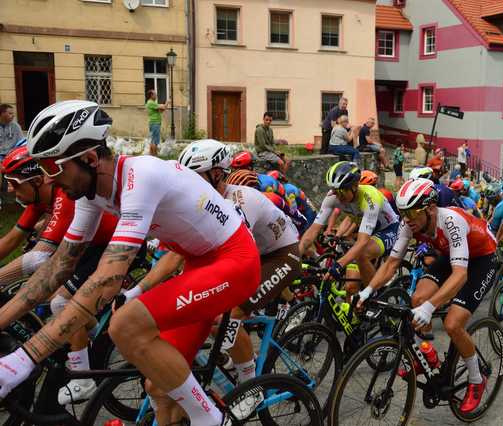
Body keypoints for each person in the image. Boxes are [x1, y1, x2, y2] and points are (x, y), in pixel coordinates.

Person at [0, 100, 260, 426]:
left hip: (234, 260)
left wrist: (25, 357)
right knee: (158, 386)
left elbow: (107, 279)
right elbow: (57, 266)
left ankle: (210, 419)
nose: (50, 181)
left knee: (124, 326)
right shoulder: (89, 193)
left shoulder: (142, 177)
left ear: (90, 158)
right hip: (196, 263)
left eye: (53, 168)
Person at [119, 139, 299, 422]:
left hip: (279, 255)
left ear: (217, 174)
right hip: (247, 257)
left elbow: (237, 262)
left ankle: (248, 385)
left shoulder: (240, 200)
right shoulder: (195, 203)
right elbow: (173, 257)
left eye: (195, 176)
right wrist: (141, 290)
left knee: (228, 313)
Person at [357, 178, 498, 414]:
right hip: (451, 254)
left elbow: (460, 275)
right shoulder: (409, 224)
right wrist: (368, 290)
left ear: (431, 208)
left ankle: (476, 380)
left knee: (453, 323)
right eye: (403, 213)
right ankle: (428, 356)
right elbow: (392, 263)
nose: (407, 219)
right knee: (416, 300)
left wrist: (431, 307)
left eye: (412, 212)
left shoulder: (451, 221)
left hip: (483, 259)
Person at [0, 146, 121, 403]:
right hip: (89, 245)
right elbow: (11, 240)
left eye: (12, 183)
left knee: (61, 302)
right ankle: (89, 332)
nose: (9, 189)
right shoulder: (39, 198)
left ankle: (83, 376)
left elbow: (40, 258)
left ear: (34, 180)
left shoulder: (65, 197)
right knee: (58, 299)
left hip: (110, 245)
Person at [298, 161, 399, 288]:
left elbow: (362, 242)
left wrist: (339, 265)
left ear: (355, 186)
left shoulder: (370, 197)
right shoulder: (333, 197)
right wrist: (295, 258)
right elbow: (312, 231)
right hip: (368, 230)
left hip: (389, 229)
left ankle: (373, 295)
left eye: (341, 191)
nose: (338, 196)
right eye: (335, 191)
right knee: (351, 286)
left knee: (362, 255)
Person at [145, 90, 168, 157]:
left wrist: (164, 105)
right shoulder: (151, 102)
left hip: (154, 123)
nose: (156, 96)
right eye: (155, 94)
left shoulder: (152, 103)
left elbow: (161, 110)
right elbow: (163, 107)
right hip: (155, 123)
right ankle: (155, 156)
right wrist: (167, 102)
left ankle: (151, 155)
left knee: (153, 139)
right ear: (151, 95)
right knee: (155, 141)